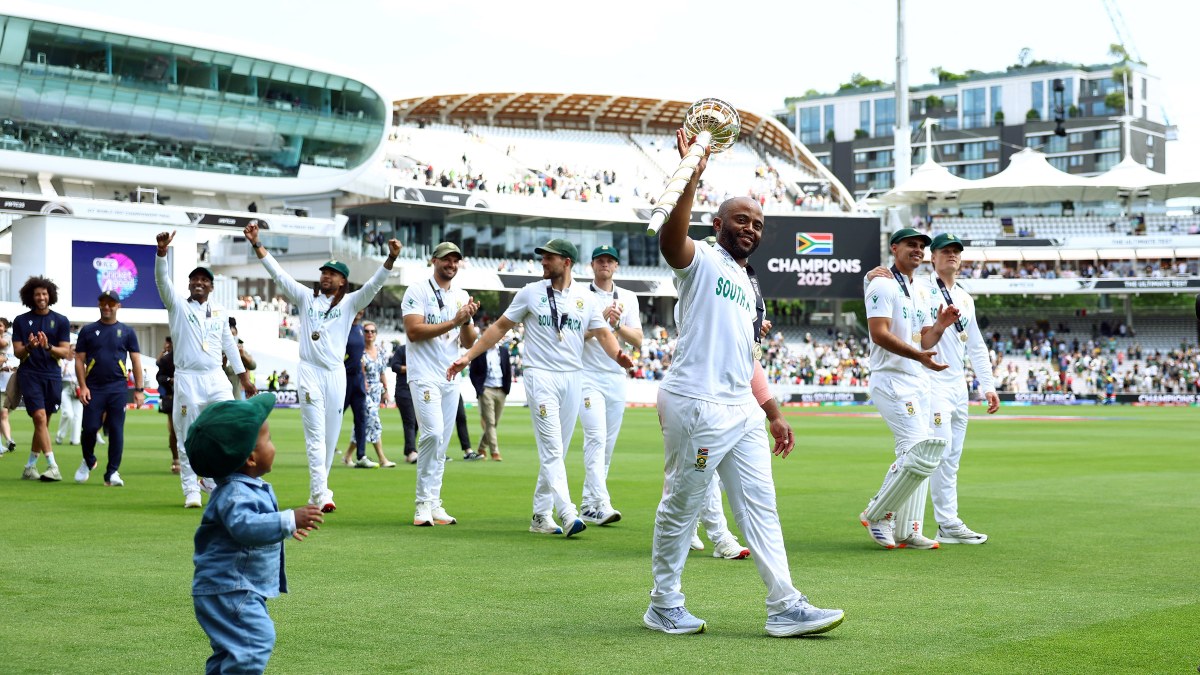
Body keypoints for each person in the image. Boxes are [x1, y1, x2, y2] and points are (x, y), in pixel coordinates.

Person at [643, 129, 843, 637]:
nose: (750, 228)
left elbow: (746, 354)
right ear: (718, 223)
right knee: (684, 504)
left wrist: (773, 411)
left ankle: (785, 605)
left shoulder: (749, 283)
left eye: (757, 223)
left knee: (761, 506)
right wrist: (694, 170)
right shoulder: (702, 260)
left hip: (742, 409)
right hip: (697, 403)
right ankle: (664, 602)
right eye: (741, 219)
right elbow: (670, 238)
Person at [449, 238, 632, 538]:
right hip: (540, 375)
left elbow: (603, 333)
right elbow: (498, 328)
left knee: (556, 451)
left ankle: (540, 515)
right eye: (543, 257)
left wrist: (618, 356)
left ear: (567, 262)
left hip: (573, 376)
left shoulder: (586, 300)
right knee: (552, 448)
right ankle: (568, 511)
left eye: (550, 258)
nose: (543, 262)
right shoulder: (531, 293)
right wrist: (467, 356)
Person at [244, 220, 398, 513]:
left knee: (330, 437)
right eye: (324, 272)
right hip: (310, 371)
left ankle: (319, 491)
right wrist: (257, 244)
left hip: (335, 374)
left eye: (333, 274)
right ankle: (322, 492)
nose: (326, 276)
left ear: (343, 281)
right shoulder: (306, 297)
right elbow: (279, 275)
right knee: (315, 435)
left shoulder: (351, 302)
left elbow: (375, 285)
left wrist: (390, 259)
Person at [188, 393, 324, 674]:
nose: (274, 446)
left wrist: (283, 526)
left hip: (232, 586)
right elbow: (245, 526)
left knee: (231, 651)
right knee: (255, 641)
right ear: (250, 458)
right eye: (268, 440)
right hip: (231, 587)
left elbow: (254, 523)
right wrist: (288, 520)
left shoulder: (241, 486)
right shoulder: (236, 492)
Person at [859, 228, 958, 550]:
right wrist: (918, 355)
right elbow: (878, 333)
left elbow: (923, 340)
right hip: (891, 378)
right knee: (915, 450)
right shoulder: (883, 283)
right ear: (895, 248)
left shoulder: (924, 290)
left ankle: (909, 529)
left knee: (924, 453)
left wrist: (941, 326)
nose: (917, 250)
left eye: (921, 247)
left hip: (918, 379)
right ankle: (878, 513)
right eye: (911, 245)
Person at [157, 231, 255, 508]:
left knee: (228, 426)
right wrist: (161, 254)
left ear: (211, 286)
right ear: (189, 284)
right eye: (195, 279)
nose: (199, 283)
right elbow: (162, 282)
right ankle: (191, 489)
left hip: (216, 377)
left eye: (204, 280)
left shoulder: (220, 312)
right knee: (187, 434)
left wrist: (244, 378)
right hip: (188, 378)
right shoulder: (177, 306)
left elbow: (230, 345)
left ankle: (214, 480)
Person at [920, 234, 1001, 543]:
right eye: (945, 251)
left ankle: (948, 523)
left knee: (951, 457)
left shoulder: (965, 298)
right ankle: (896, 515)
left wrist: (988, 385)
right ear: (933, 258)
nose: (951, 256)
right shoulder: (920, 289)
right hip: (931, 380)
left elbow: (977, 346)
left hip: (958, 385)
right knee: (934, 452)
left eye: (956, 252)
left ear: (962, 259)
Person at [403, 241, 479, 526]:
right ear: (433, 260)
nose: (451, 264)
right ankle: (422, 503)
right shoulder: (417, 290)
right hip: (423, 374)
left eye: (455, 260)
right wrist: (454, 321)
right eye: (446, 259)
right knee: (432, 435)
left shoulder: (461, 295)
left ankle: (434, 502)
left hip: (449, 376)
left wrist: (466, 321)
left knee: (442, 443)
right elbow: (413, 331)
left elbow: (469, 342)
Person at [578, 244, 641, 526]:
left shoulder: (627, 297)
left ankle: (588, 504)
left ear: (616, 266)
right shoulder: (579, 295)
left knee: (607, 445)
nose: (605, 264)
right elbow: (572, 337)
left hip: (615, 378)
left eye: (610, 261)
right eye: (600, 260)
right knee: (596, 438)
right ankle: (601, 502)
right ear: (592, 265)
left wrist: (615, 326)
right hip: (587, 376)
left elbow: (637, 339)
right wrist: (600, 323)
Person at [73, 290, 145, 486]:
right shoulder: (88, 331)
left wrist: (139, 390)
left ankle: (112, 472)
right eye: (103, 303)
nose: (107, 306)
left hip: (117, 388)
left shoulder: (128, 332)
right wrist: (83, 386)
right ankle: (88, 461)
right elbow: (79, 360)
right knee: (89, 428)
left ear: (118, 306)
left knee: (115, 430)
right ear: (98, 305)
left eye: (111, 303)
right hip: (93, 387)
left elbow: (136, 361)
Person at [12, 276, 73, 482]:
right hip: (29, 374)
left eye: (44, 293)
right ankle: (53, 466)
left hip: (52, 375)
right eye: (37, 294)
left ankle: (30, 466)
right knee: (39, 418)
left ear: (50, 295)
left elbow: (65, 352)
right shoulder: (21, 320)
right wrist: (30, 347)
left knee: (43, 423)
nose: (41, 297)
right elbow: (18, 352)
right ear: (31, 296)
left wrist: (48, 347)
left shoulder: (61, 320)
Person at [468, 335, 512, 462]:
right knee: (490, 422)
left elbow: (507, 370)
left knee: (494, 422)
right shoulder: (480, 351)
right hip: (486, 389)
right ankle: (495, 451)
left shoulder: (503, 351)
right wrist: (479, 389)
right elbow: (473, 372)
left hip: (501, 390)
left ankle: (482, 448)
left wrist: (506, 389)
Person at [341, 311, 375, 468]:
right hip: (343, 379)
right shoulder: (342, 327)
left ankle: (361, 456)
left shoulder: (360, 329)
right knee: (335, 416)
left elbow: (360, 356)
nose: (359, 312)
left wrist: (364, 377)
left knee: (362, 418)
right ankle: (324, 452)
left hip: (358, 380)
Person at [388, 343, 418, 463]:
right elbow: (394, 366)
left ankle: (409, 450)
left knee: (415, 422)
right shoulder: (402, 349)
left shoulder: (422, 349)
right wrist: (411, 368)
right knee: (410, 421)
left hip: (418, 390)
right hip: (404, 391)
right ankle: (411, 451)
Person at [156, 336, 180, 473]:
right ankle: (176, 458)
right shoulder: (166, 359)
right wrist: (170, 380)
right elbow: (159, 377)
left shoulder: (193, 355)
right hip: (173, 398)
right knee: (174, 430)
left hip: (191, 398)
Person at [56, 337, 83, 446]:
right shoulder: (62, 362)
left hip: (78, 389)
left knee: (78, 415)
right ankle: (60, 435)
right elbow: (59, 377)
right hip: (65, 388)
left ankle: (75, 439)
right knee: (68, 414)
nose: (74, 352)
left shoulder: (80, 362)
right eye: (73, 349)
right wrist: (64, 370)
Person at [223, 319, 257, 400]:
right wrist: (226, 356)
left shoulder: (241, 351)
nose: (232, 338)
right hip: (221, 396)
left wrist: (243, 355)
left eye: (234, 335)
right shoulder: (218, 352)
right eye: (229, 335)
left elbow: (253, 366)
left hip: (237, 396)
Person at [0, 317, 16, 455]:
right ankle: (9, 440)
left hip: (8, 384)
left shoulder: (8, 340)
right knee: (3, 414)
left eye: (0, 325)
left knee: (3, 415)